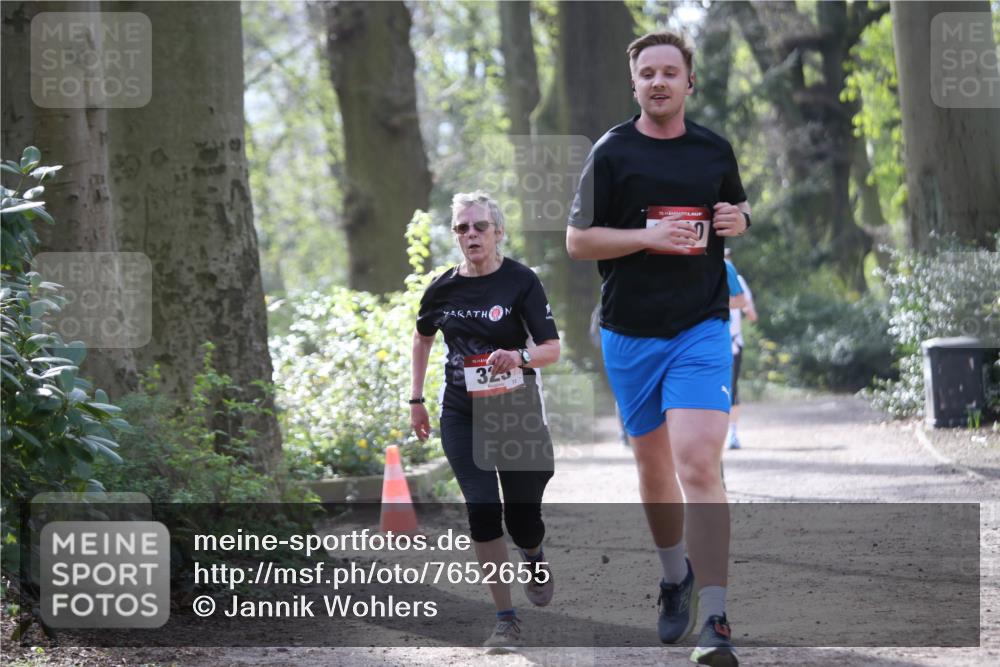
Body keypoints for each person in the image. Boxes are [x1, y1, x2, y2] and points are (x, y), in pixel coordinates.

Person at [566, 30, 750, 667]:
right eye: (648, 73)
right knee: (654, 471)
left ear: (689, 82)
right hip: (629, 333)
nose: (660, 82)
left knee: (699, 463)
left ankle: (718, 618)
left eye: (671, 71)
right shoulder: (611, 153)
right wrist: (645, 236)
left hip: (700, 327)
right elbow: (577, 242)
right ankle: (676, 579)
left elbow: (736, 209)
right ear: (635, 83)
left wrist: (739, 220)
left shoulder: (713, 149)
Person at [410, 191, 561, 653]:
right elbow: (421, 338)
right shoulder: (442, 288)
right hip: (462, 411)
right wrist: (415, 398)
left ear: (498, 232)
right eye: (461, 228)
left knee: (523, 519)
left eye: (479, 227)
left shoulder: (521, 281)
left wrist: (516, 357)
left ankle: (533, 556)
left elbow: (551, 350)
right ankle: (504, 618)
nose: (470, 235)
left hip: (514, 412)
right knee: (481, 510)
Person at [725, 248, 757, 450]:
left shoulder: (737, 279)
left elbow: (751, 313)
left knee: (732, 388)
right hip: (708, 341)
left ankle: (733, 433)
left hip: (732, 342)